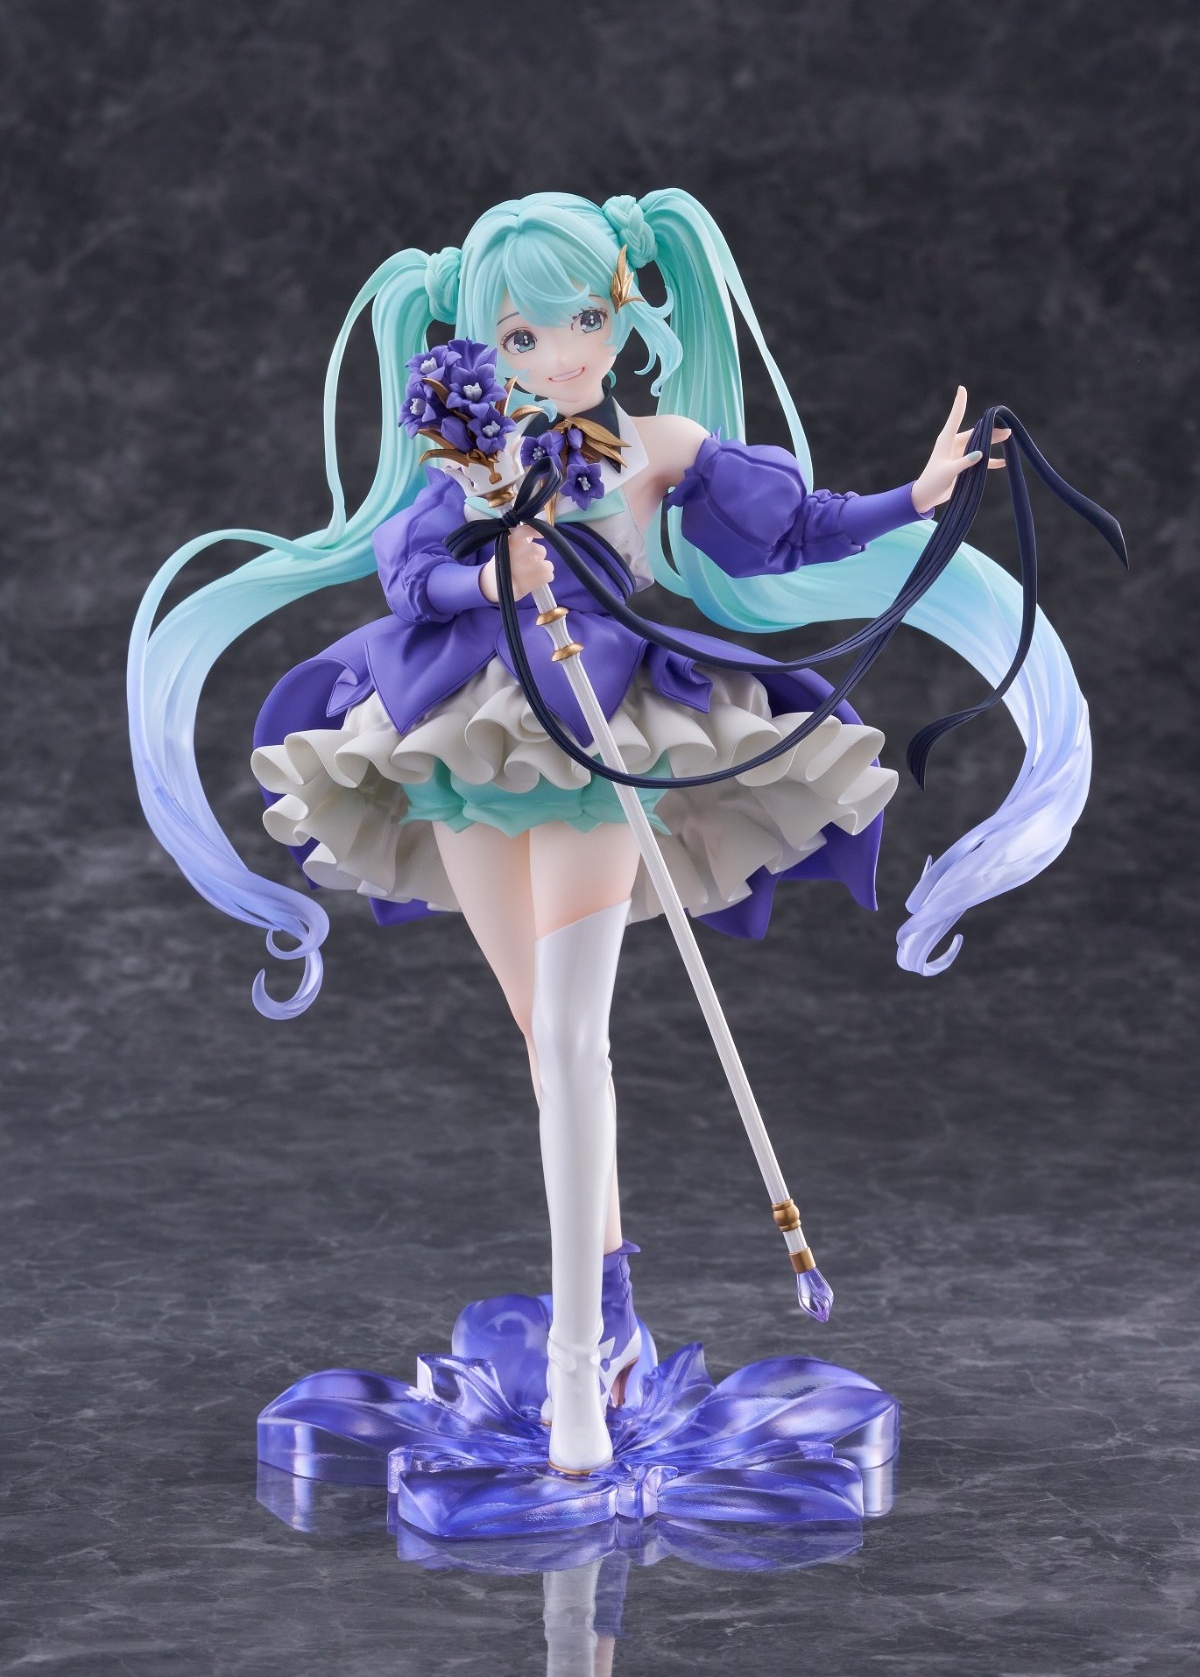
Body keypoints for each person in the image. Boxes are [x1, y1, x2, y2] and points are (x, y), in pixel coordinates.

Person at [129, 189, 1082, 1477]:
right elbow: (410, 572)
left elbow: (794, 530)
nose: (562, 354)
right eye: (524, 337)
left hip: (598, 745)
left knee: (577, 1040)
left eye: (583, 320)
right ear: (486, 346)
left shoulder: (655, 446)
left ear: (623, 309)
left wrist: (916, 495)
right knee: (544, 1042)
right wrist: (494, 569)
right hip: (461, 740)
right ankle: (615, 1301)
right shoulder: (473, 454)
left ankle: (581, 1374)